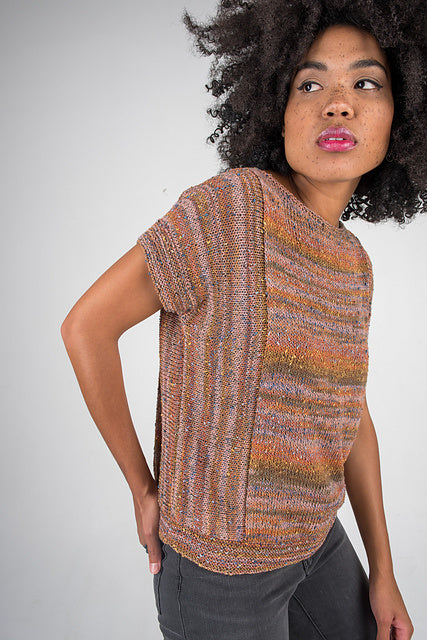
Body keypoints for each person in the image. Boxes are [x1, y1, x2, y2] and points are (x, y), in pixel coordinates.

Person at [61, 1, 425, 638]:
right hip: (218, 572)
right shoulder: (231, 211)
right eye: (309, 84)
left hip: (319, 544)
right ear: (275, 109)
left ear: (402, 114)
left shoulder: (354, 263)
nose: (338, 105)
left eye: (366, 83)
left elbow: (351, 414)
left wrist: (384, 570)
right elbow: (86, 327)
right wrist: (143, 489)